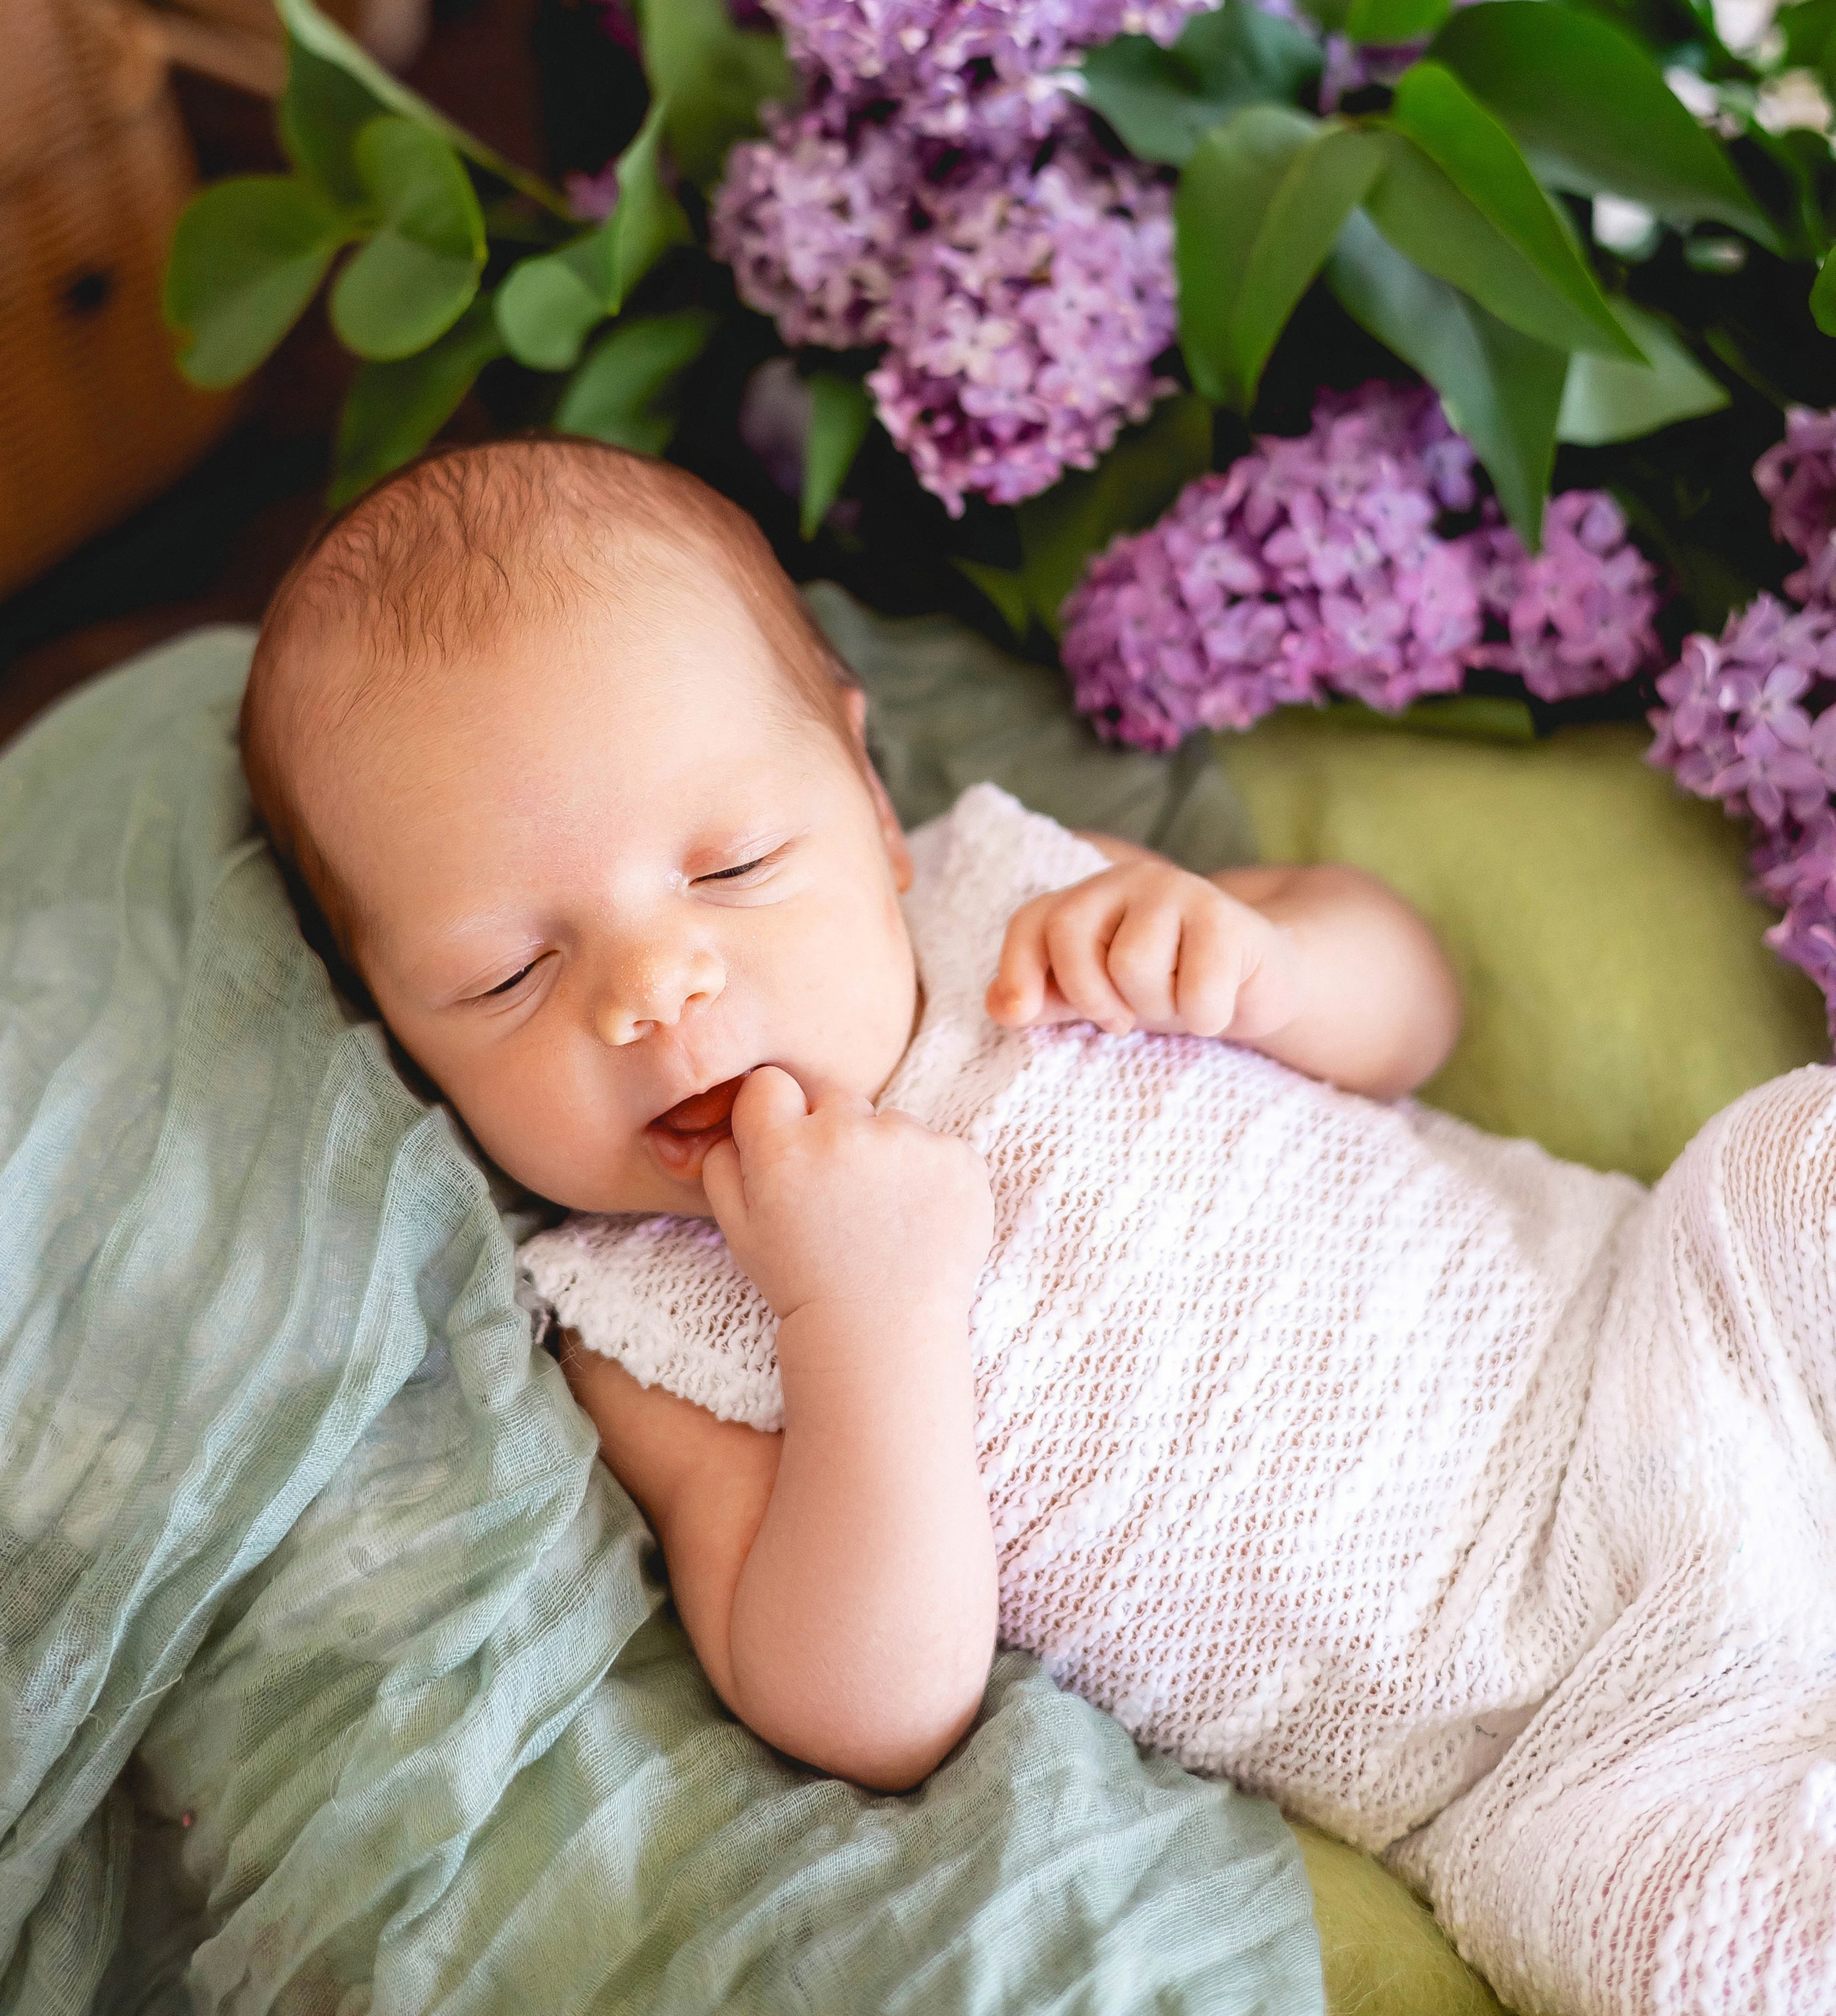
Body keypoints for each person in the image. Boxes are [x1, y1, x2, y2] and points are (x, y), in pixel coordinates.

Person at [240, 432, 1836, 2016]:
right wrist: (858, 1324)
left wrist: (1264, 964)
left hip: (1676, 1350)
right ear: (395, 1030)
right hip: (1542, 1755)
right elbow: (862, 1709)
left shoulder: (1022, 898)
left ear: (869, 801)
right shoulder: (642, 1323)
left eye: (732, 866)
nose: (655, 989)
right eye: (508, 976)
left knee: (1791, 1164)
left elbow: (1411, 1011)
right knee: (1690, 1959)